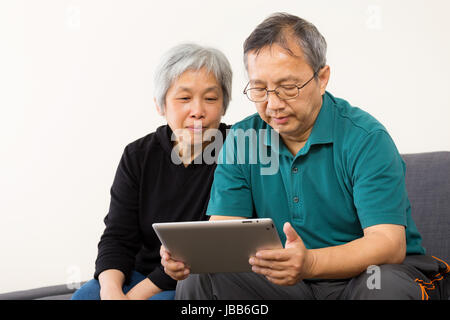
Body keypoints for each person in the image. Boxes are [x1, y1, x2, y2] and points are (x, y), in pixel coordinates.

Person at [161, 13, 450, 300]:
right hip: (288, 284)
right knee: (200, 279)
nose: (273, 104)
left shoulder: (366, 138)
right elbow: (223, 232)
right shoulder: (242, 139)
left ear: (322, 78)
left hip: (364, 278)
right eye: (260, 89)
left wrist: (309, 262)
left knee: (384, 285)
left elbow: (388, 243)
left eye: (288, 87)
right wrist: (194, 255)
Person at [71, 43, 233, 300]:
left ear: (224, 105)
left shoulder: (238, 150)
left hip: (192, 282)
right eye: (184, 98)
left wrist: (136, 296)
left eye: (211, 98)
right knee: (84, 297)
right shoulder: (138, 155)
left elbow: (206, 247)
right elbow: (117, 236)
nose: (198, 111)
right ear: (161, 105)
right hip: (137, 274)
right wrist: (112, 291)